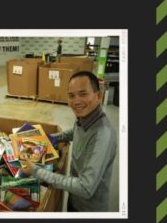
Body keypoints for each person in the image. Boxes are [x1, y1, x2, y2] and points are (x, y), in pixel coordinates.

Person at [20, 72, 117, 212]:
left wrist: (36, 171)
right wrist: (53, 137)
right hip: (74, 198)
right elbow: (76, 131)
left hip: (88, 208)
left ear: (99, 96)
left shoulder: (103, 136)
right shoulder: (86, 118)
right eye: (72, 96)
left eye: (83, 94)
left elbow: (85, 188)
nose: (76, 101)